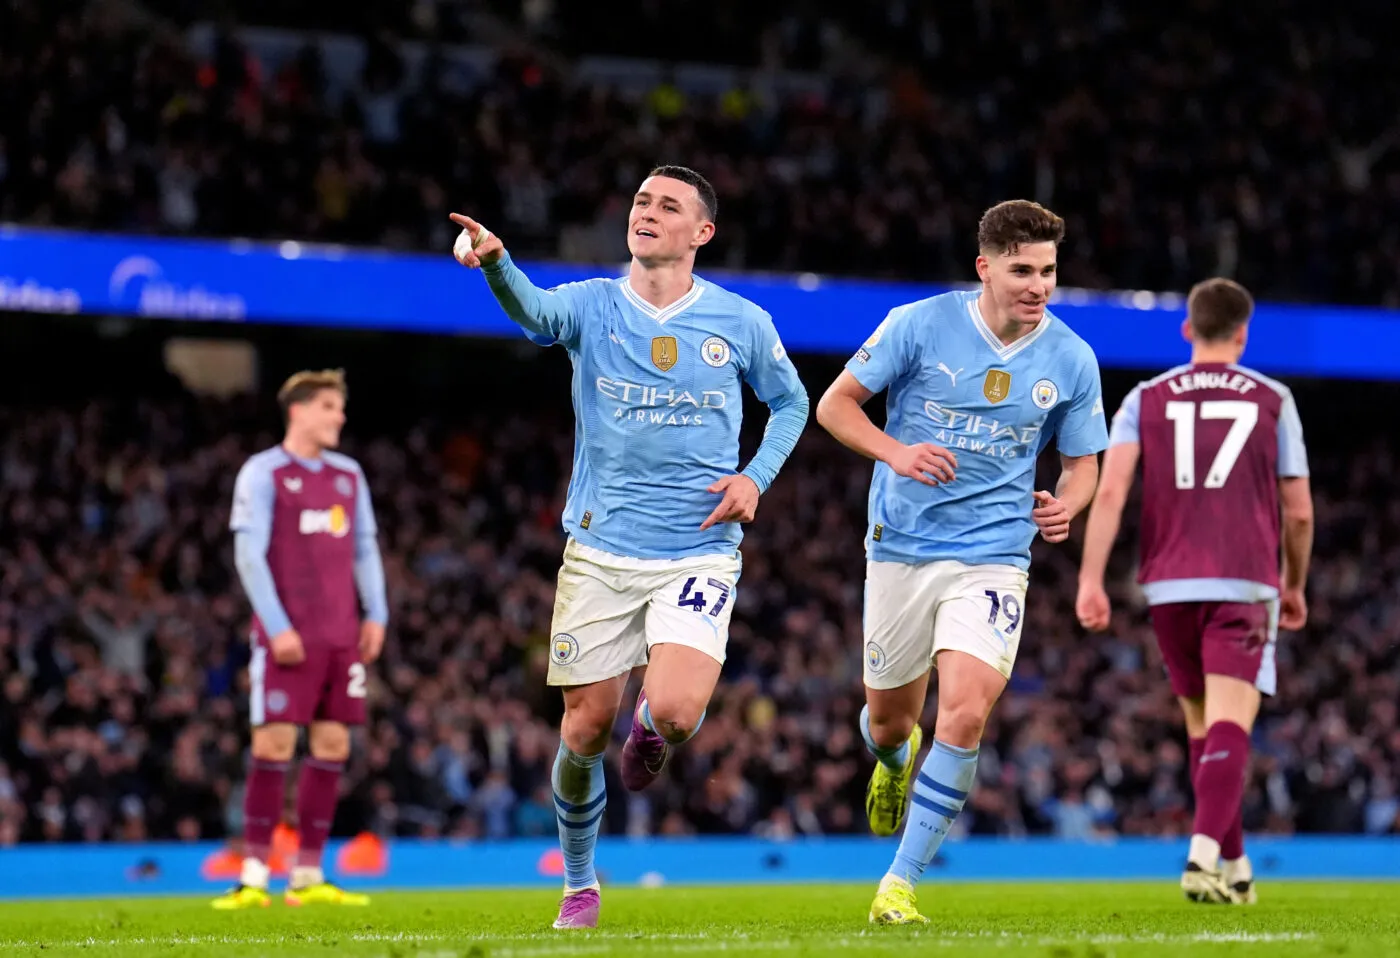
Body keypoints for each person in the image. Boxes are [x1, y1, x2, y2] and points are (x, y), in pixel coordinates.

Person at [449, 165, 808, 929]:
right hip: (603, 550)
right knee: (581, 730)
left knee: (675, 714)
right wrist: (497, 263)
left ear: (701, 233)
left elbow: (790, 401)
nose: (647, 212)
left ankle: (650, 732)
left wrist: (755, 478)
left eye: (668, 205)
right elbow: (534, 315)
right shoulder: (591, 304)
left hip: (698, 547)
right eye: (642, 200)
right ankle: (580, 882)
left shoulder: (739, 322)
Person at [816, 200, 1107, 924]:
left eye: (1047, 271)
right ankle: (891, 758)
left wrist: (1068, 502)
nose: (1038, 285)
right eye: (1021, 271)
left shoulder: (1071, 356)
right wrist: (898, 452)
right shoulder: (919, 325)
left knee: (968, 709)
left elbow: (1083, 465)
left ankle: (900, 882)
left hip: (995, 554)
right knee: (889, 721)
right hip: (902, 547)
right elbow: (836, 406)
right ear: (985, 268)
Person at [1076, 277, 1313, 904]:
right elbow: (1299, 513)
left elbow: (1111, 490)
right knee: (1233, 725)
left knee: (1204, 730)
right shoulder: (1272, 398)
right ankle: (1202, 857)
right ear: (1243, 335)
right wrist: (1294, 583)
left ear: (1187, 330)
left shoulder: (1145, 397)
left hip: (1169, 584)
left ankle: (1234, 866)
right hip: (1242, 579)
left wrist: (1092, 578)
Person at [213, 369, 388, 909]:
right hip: (287, 635)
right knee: (273, 745)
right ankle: (253, 876)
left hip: (341, 637)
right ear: (301, 410)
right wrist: (277, 625)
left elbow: (364, 550)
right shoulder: (264, 472)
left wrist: (376, 613)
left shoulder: (348, 476)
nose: (340, 416)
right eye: (331, 406)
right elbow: (249, 554)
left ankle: (309, 875)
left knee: (333, 745)